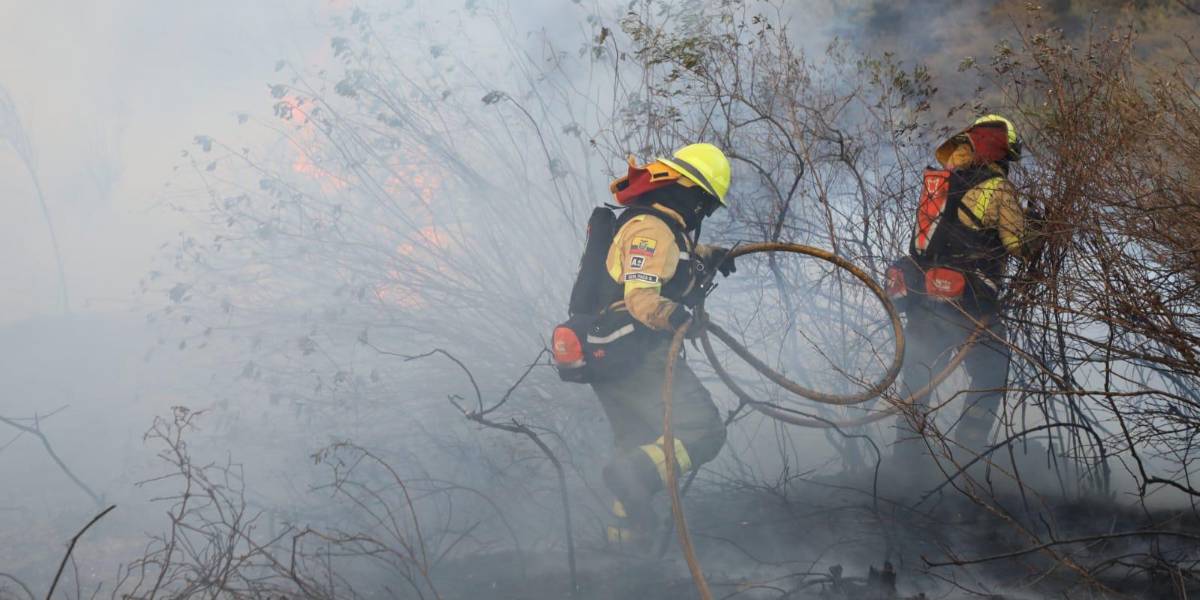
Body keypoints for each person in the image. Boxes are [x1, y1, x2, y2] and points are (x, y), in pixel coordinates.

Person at [592, 143, 735, 546]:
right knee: (703, 432)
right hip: (638, 356)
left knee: (638, 444)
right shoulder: (650, 229)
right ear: (689, 192)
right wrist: (675, 317)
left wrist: (708, 255)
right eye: (706, 204)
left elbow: (669, 259)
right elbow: (641, 297)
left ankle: (623, 547)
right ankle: (630, 478)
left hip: (616, 358)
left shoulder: (660, 229)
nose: (703, 214)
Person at [887, 115, 1041, 464]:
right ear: (1000, 154)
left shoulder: (940, 184)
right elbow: (1018, 245)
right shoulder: (998, 189)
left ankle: (904, 465)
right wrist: (1038, 227)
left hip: (924, 299)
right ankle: (967, 459)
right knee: (991, 373)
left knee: (917, 381)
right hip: (970, 304)